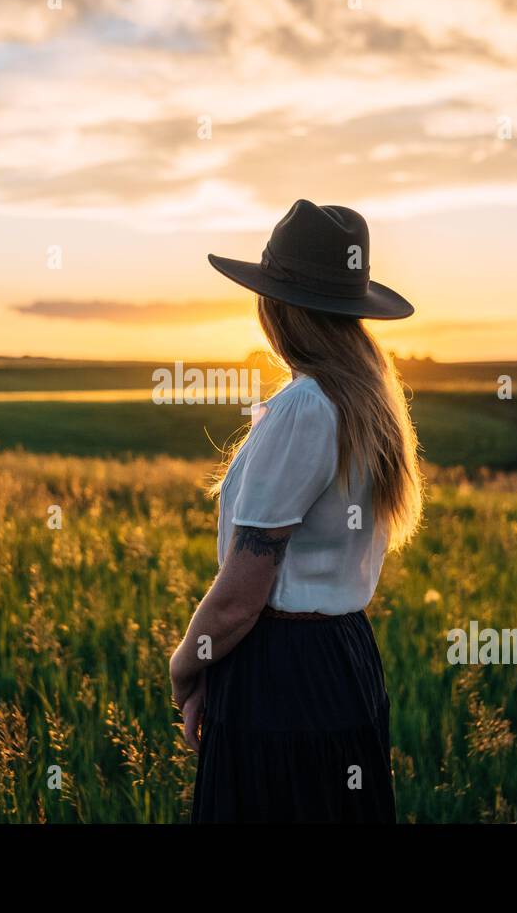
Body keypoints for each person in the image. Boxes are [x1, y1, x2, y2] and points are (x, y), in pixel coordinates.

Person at [169, 198, 423, 822]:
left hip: (279, 675)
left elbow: (242, 593)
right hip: (344, 661)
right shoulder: (368, 401)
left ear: (277, 308)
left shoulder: (305, 407)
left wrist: (186, 667)